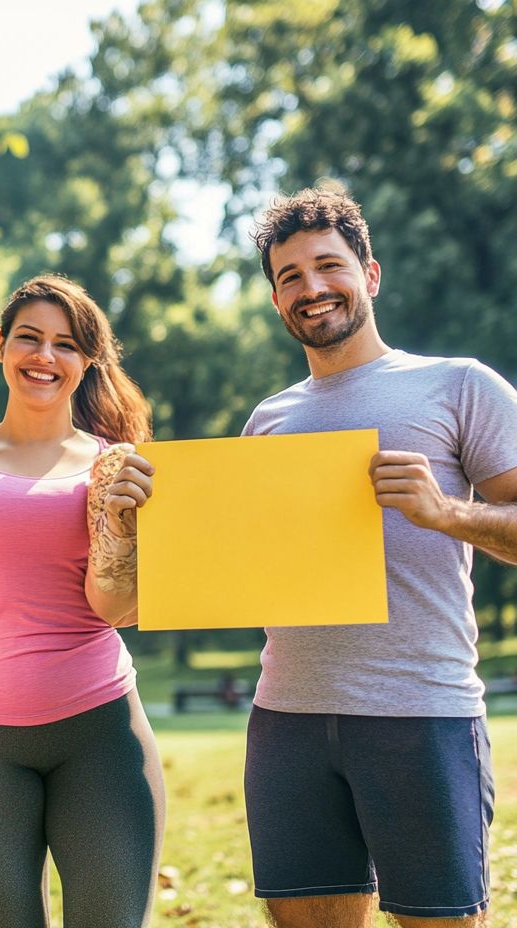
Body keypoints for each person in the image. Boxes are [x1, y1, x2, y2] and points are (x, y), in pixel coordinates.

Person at [119, 188, 517, 927]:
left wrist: (446, 512)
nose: (312, 288)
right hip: (287, 720)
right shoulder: (268, 420)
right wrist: (147, 512)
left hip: (419, 712)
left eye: (327, 266)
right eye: (290, 277)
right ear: (276, 300)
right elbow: (229, 567)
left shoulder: (461, 385)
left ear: (369, 274)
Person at [0, 275, 164, 926]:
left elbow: (113, 608)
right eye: (29, 338)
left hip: (97, 732)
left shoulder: (118, 466)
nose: (45, 356)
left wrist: (120, 528)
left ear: (87, 362)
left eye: (66, 344)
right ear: (0, 346)